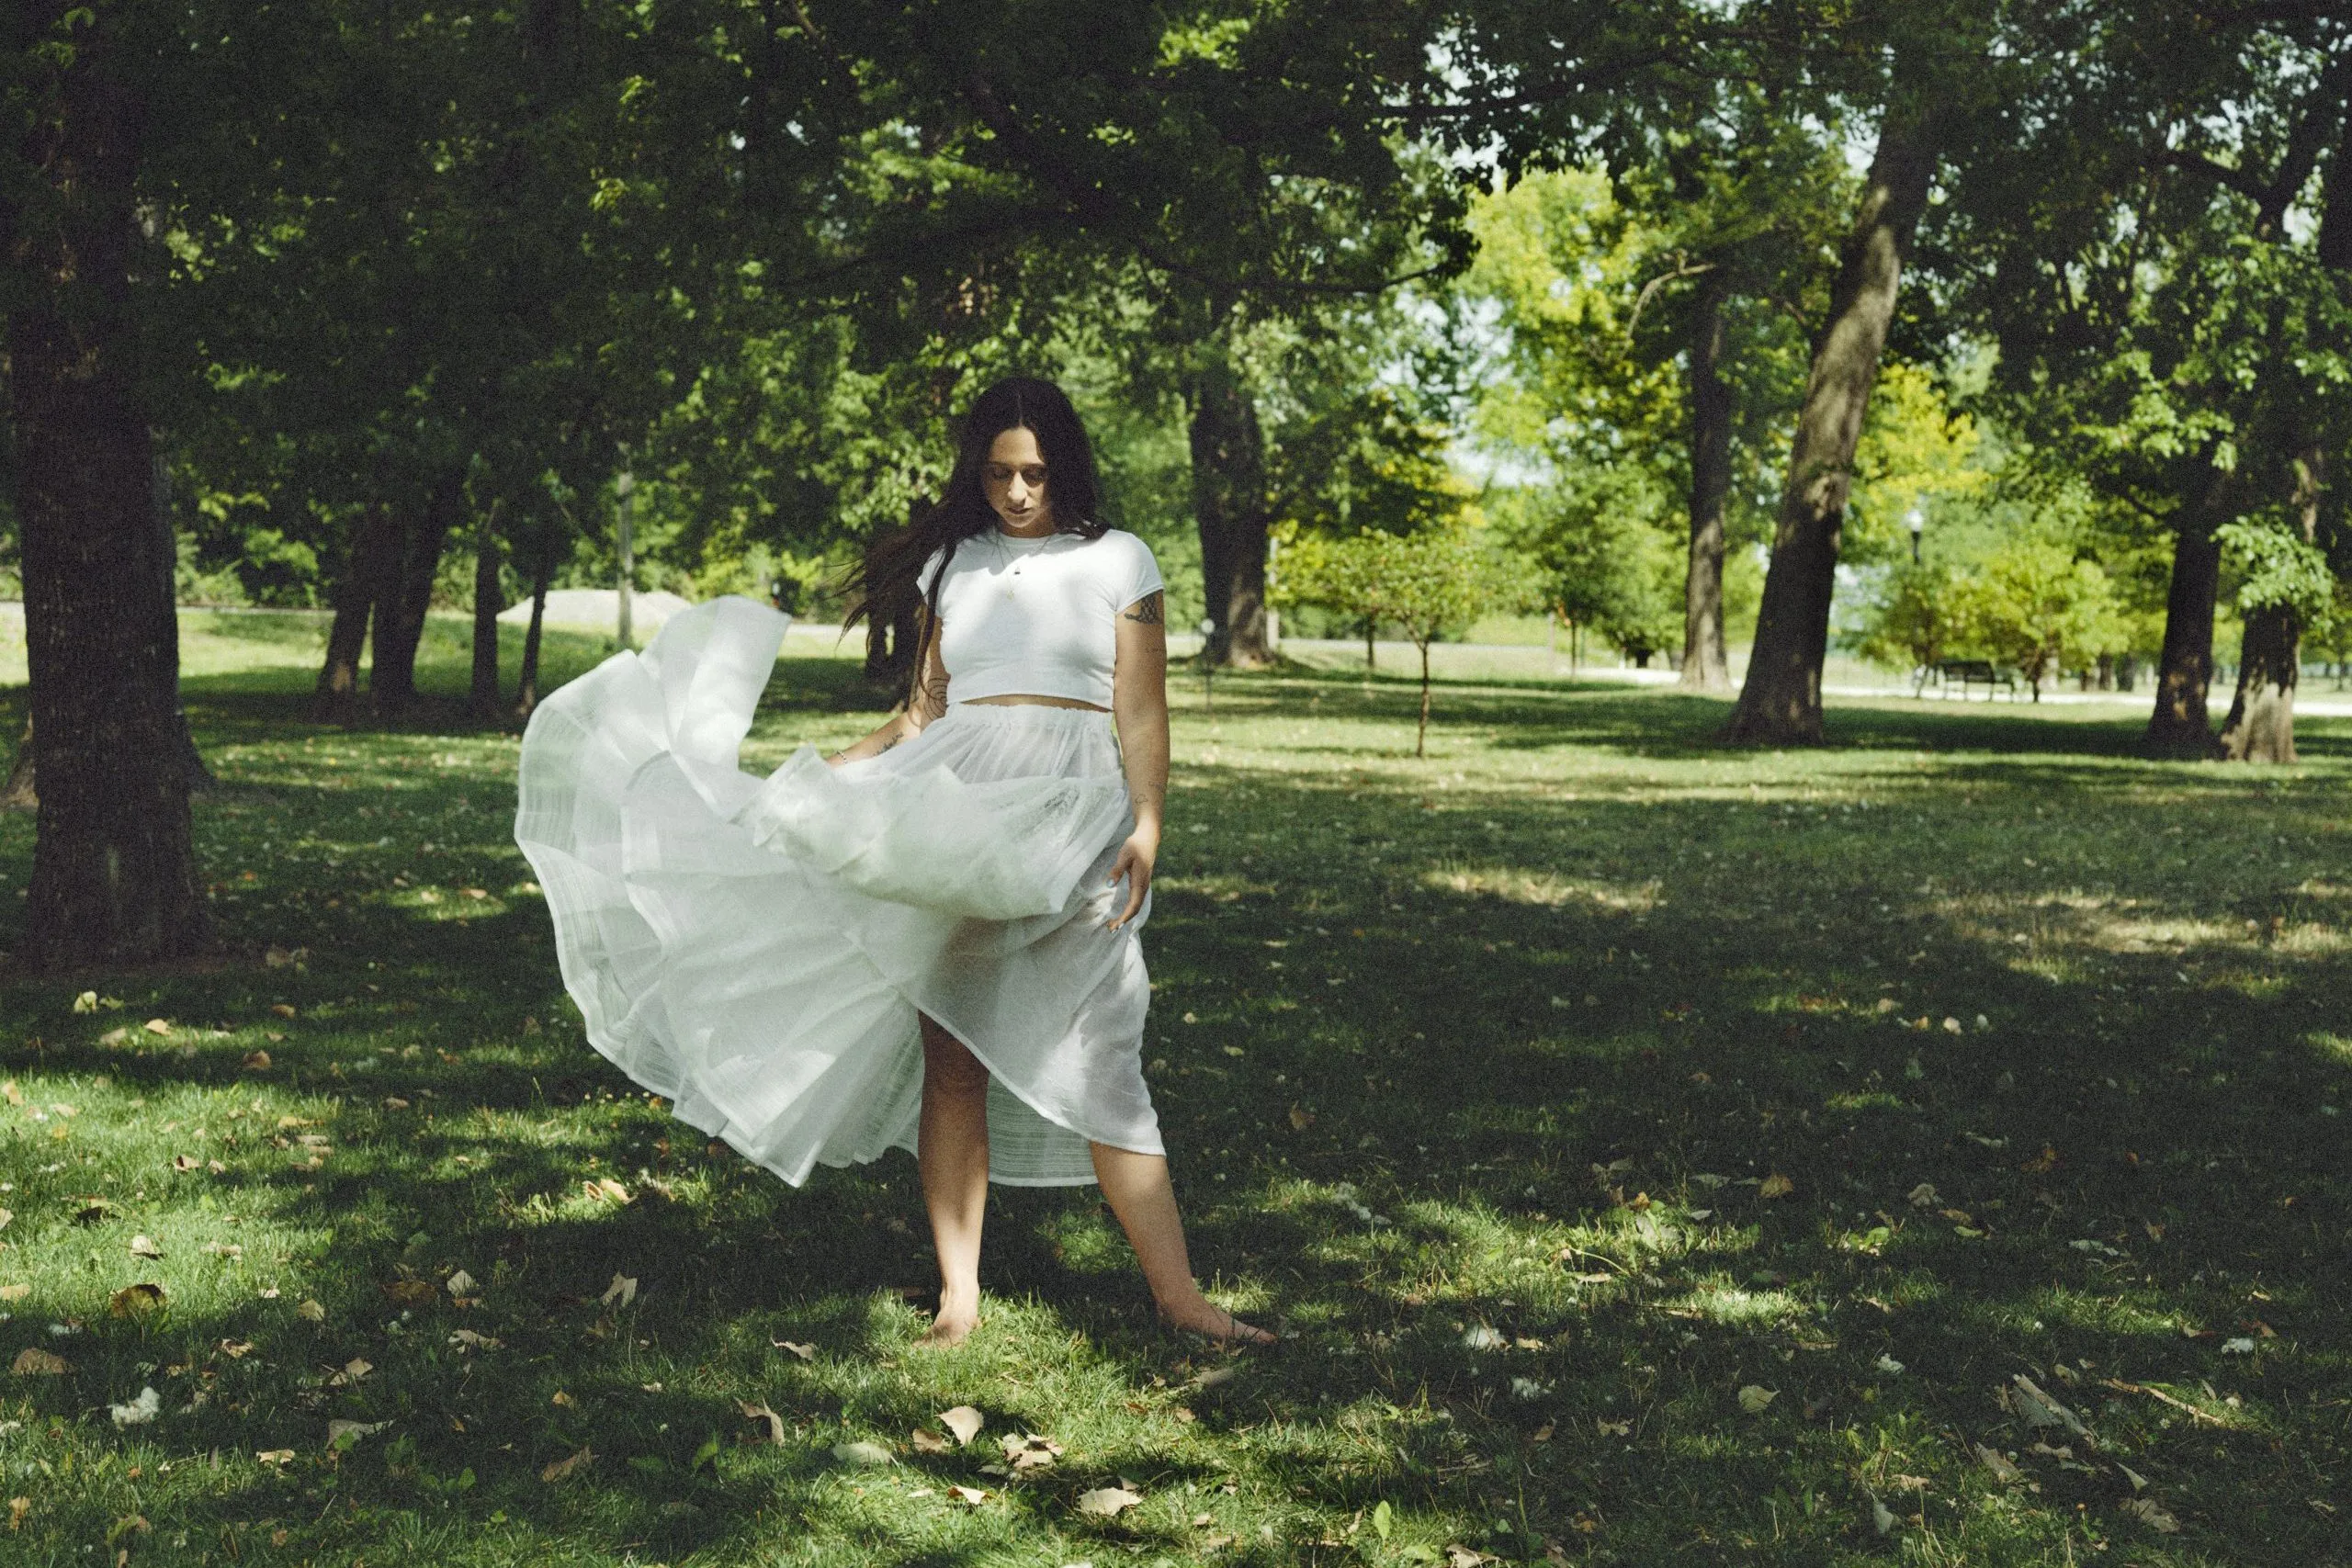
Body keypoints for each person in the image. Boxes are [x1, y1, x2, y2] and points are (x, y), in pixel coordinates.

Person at [514, 376, 1268, 1349]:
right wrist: (820, 779)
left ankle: (1179, 1298)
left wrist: (1149, 820)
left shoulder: (1119, 560)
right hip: (957, 806)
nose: (1018, 492)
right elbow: (923, 712)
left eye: (1036, 473)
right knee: (949, 1056)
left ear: (1065, 468)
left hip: (1076, 812)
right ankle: (959, 1295)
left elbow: (1140, 709)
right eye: (999, 473)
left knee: (1105, 1049)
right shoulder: (953, 564)